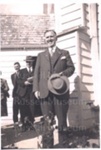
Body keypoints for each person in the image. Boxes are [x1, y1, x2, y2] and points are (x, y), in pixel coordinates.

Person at [33, 30, 75, 145]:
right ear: (44, 39)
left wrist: (63, 74)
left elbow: (71, 68)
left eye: (51, 36)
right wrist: (36, 89)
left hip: (60, 91)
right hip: (45, 92)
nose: (49, 39)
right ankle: (48, 146)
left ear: (56, 38)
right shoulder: (41, 56)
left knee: (62, 120)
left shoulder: (64, 53)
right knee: (47, 122)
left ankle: (63, 145)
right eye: (47, 37)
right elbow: (36, 73)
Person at [19, 56, 36, 131]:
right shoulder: (22, 71)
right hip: (24, 92)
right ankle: (24, 125)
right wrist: (24, 82)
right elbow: (18, 81)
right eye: (27, 62)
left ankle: (31, 124)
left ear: (32, 62)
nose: (28, 63)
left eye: (29, 62)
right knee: (23, 108)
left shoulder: (35, 70)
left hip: (32, 92)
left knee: (32, 108)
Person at [11, 62, 23, 127]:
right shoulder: (12, 75)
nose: (16, 67)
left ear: (19, 66)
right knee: (15, 108)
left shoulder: (23, 73)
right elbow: (14, 84)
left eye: (17, 66)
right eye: (15, 66)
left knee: (22, 108)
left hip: (22, 94)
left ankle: (22, 121)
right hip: (15, 94)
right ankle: (15, 122)